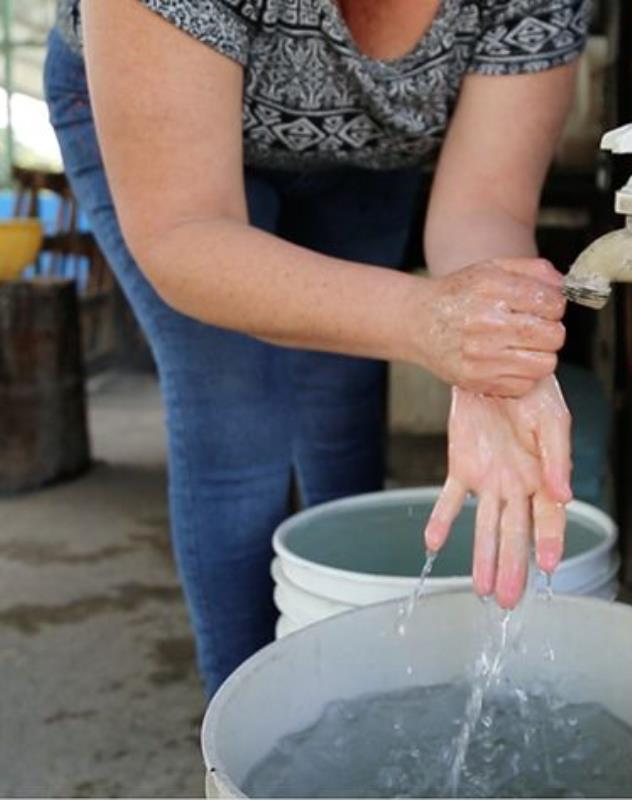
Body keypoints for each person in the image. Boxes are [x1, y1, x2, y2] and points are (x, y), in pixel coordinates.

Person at [46, 0, 588, 697]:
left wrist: (497, 351)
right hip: (166, 134)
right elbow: (187, 232)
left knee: (341, 394)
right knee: (237, 409)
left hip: (365, 148)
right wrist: (424, 320)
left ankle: (361, 687)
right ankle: (248, 732)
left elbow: (484, 207)